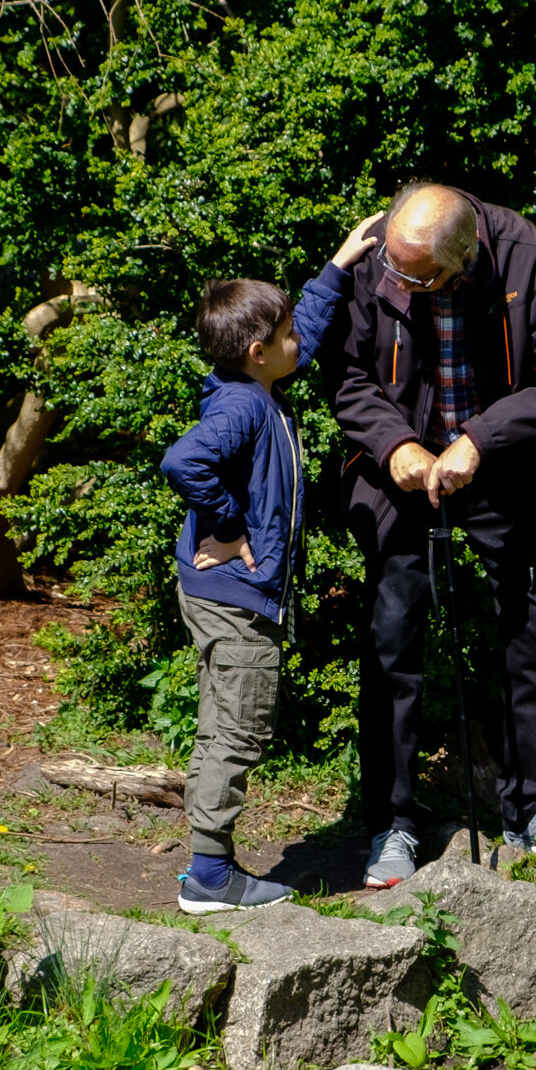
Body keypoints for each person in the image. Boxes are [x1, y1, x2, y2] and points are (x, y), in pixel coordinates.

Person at [330, 183, 536, 888]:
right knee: (391, 646)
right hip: (403, 476)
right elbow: (343, 370)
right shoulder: (380, 253)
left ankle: (533, 808)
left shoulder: (526, 257)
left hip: (505, 472)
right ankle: (392, 821)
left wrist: (480, 439)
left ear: (461, 260)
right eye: (391, 265)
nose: (393, 282)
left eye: (413, 277)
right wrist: (393, 445)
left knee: (535, 633)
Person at [163, 212, 383, 913]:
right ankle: (209, 875)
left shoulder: (255, 384)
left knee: (220, 722)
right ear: (258, 351)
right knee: (240, 727)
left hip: (227, 593)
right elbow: (183, 460)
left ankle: (209, 861)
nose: (299, 342)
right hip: (235, 595)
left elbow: (305, 336)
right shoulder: (242, 410)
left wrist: (338, 267)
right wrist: (226, 528)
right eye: (285, 335)